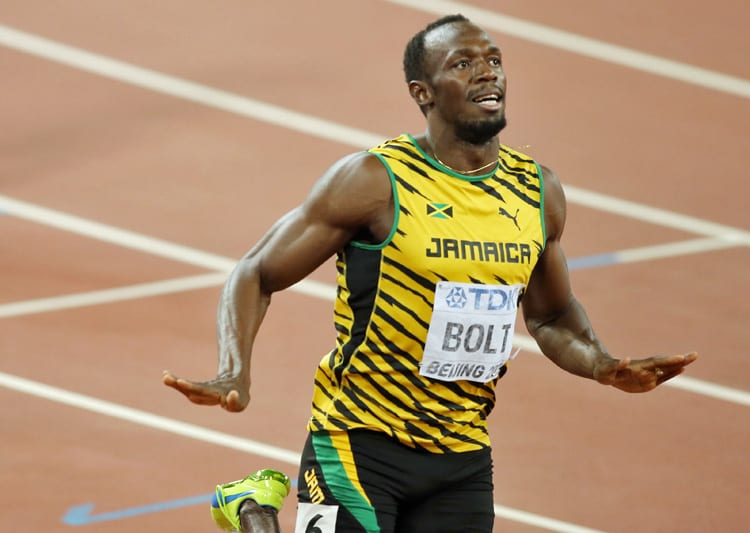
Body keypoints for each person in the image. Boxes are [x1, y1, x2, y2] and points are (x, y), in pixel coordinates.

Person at [163, 13, 697, 533]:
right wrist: (234, 369)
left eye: (493, 59)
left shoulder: (538, 192)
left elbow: (552, 314)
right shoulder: (375, 181)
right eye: (463, 63)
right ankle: (253, 510)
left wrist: (602, 364)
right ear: (423, 92)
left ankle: (254, 510)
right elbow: (256, 271)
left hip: (461, 454)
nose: (488, 72)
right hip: (359, 437)